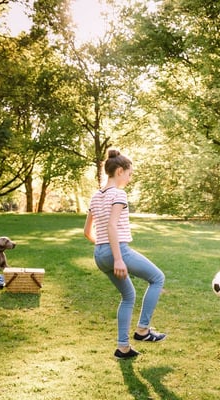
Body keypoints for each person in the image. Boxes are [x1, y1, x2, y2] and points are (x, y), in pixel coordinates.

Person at [84, 149, 166, 360]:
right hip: (117, 251)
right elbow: (112, 225)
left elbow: (87, 231)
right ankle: (143, 331)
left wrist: (103, 249)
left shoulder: (95, 196)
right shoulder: (119, 194)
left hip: (99, 255)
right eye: (129, 174)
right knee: (158, 278)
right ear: (119, 171)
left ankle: (123, 348)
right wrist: (118, 257)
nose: (130, 178)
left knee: (128, 296)